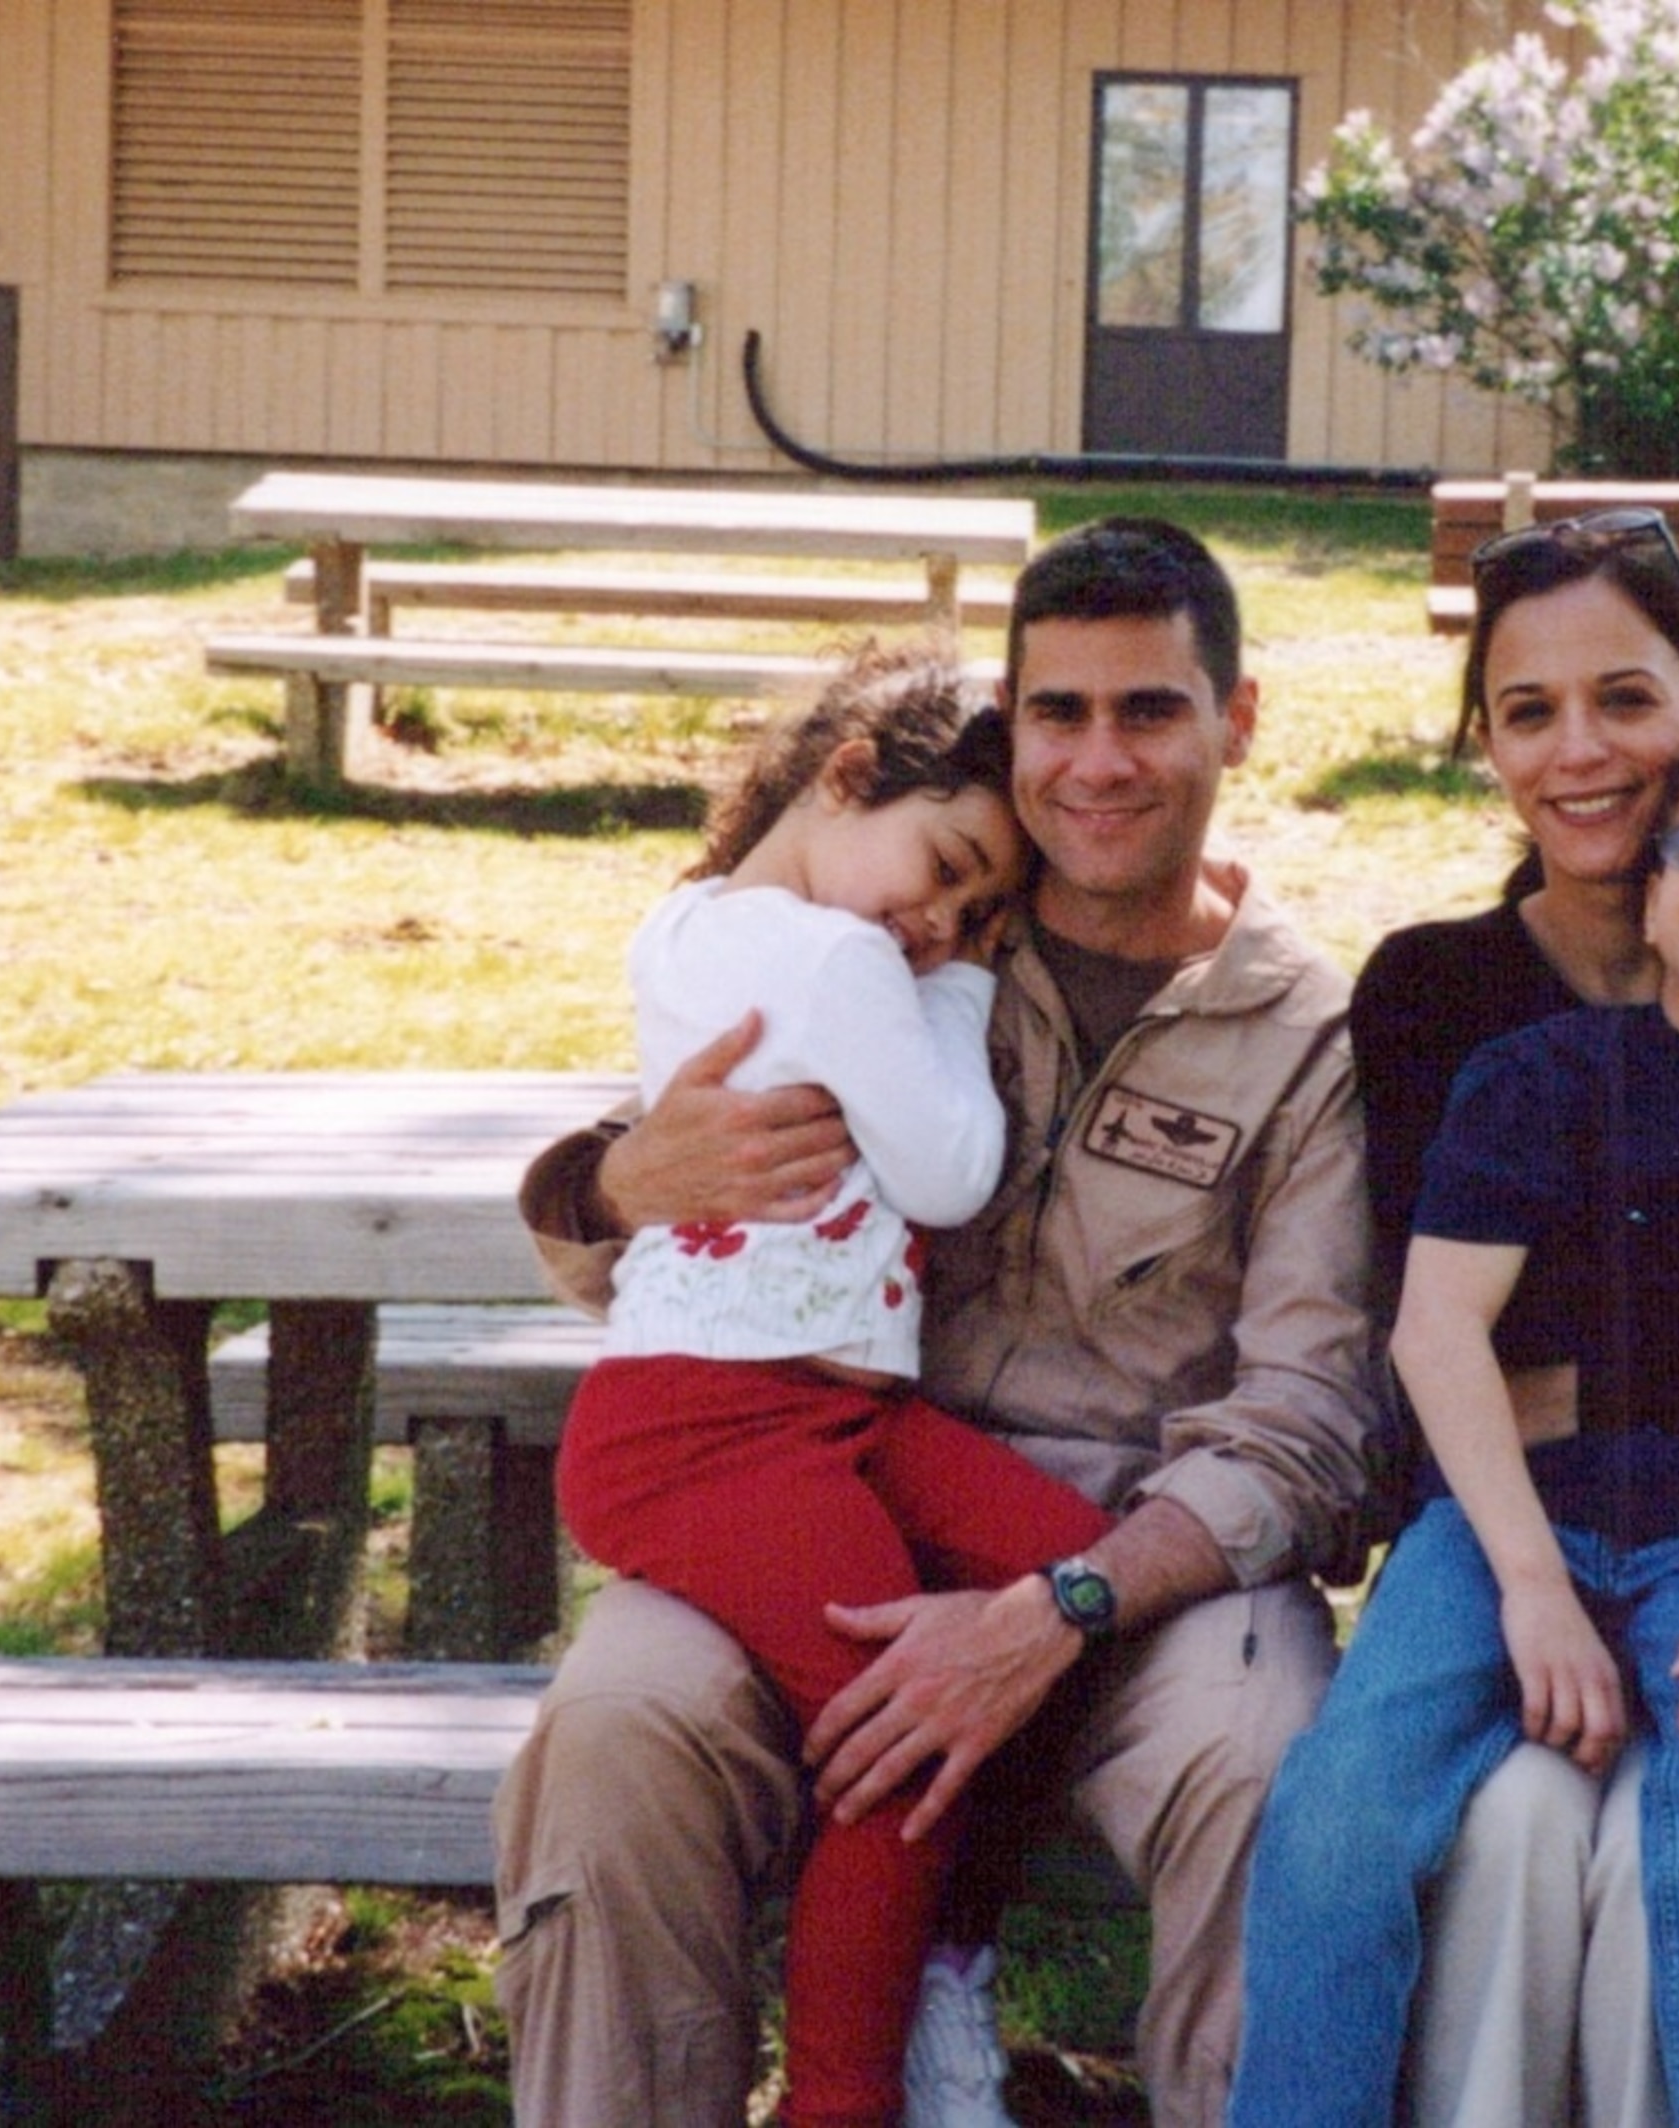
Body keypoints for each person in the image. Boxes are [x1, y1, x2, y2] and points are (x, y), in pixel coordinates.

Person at [491, 518, 1383, 2128]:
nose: (1097, 763)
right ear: (1010, 726)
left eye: (1152, 712)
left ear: (1236, 723)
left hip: (1135, 1563)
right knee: (617, 1739)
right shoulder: (906, 919)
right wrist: (617, 1182)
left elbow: (1309, 1419)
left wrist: (1064, 1606)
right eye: (1061, 714)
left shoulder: (1311, 1034)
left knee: (1273, 1776)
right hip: (808, 1493)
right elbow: (663, 1236)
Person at [1232, 720, 1679, 2128]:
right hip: (1508, 1529)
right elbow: (1436, 1334)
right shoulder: (1537, 1081)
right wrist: (1530, 1585)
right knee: (1340, 1817)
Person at [551, 643, 1119, 2128]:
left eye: (980, 911)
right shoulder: (842, 959)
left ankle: (940, 1959)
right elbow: (946, 1170)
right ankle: (853, 2095)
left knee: (1068, 1581)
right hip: (713, 1429)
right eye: (944, 870)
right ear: (852, 768)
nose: (942, 926)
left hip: (824, 1416)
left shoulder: (686, 924)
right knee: (899, 1736)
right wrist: (959, 993)